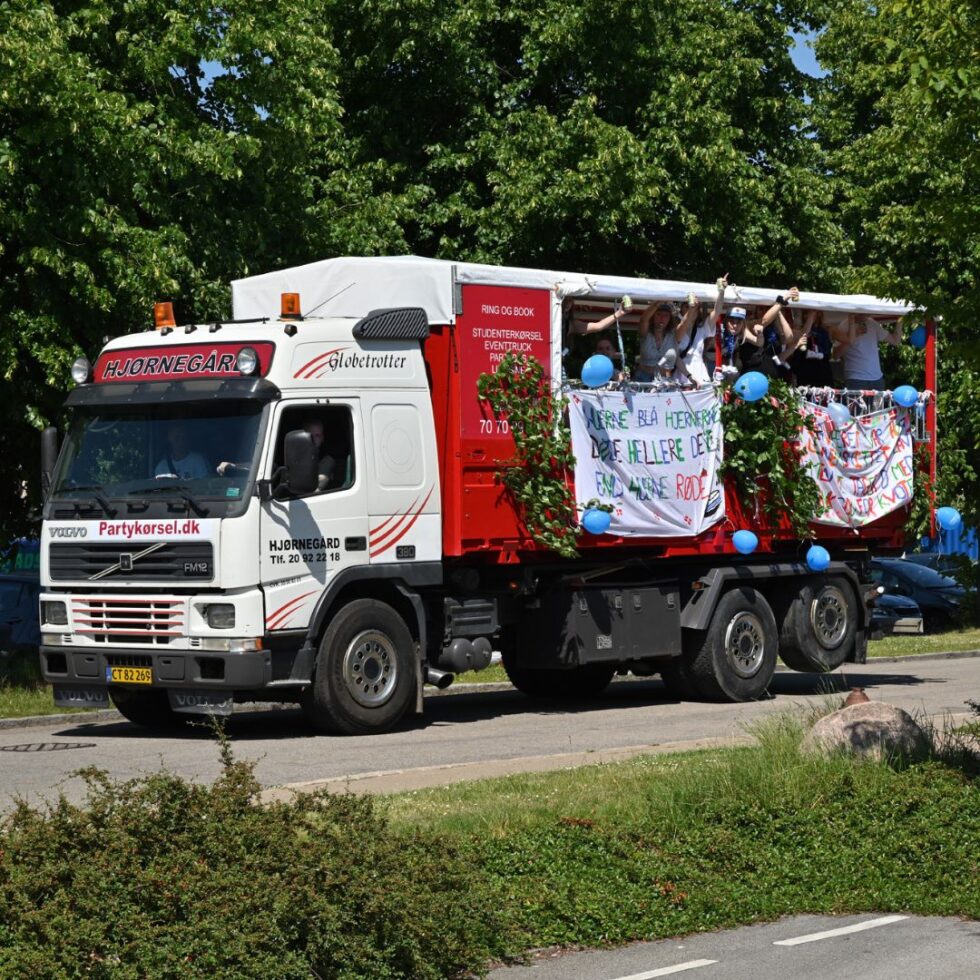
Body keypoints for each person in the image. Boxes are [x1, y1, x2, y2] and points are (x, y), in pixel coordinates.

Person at [839, 315, 903, 390]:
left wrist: (900, 320)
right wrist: (854, 335)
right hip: (856, 379)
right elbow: (835, 355)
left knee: (878, 402)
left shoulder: (872, 323)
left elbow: (895, 341)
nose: (867, 313)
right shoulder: (844, 325)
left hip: (877, 380)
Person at [305, 419, 339, 492]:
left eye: (317, 435)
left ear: (322, 438)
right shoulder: (292, 458)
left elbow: (315, 491)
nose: (313, 439)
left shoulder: (327, 461)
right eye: (310, 435)